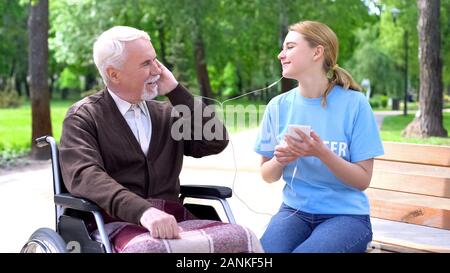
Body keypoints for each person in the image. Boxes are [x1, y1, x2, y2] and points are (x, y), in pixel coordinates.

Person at [59, 26, 262, 253]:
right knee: (149, 250)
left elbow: (214, 141)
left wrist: (175, 91)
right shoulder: (84, 117)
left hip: (173, 218)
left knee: (243, 236)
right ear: (113, 73)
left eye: (156, 61)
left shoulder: (166, 113)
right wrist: (143, 211)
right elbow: (85, 176)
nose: (157, 69)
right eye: (146, 63)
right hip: (112, 221)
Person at [254, 21, 384, 253]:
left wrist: (321, 152)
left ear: (317, 52)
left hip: (347, 217)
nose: (280, 55)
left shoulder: (355, 104)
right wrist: (281, 159)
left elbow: (362, 180)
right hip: (293, 212)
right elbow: (267, 174)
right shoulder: (278, 106)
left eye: (290, 47)